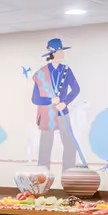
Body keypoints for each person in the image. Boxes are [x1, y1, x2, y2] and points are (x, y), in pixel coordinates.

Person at [30, 37, 84, 172]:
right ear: (52, 54)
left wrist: (65, 103)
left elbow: (76, 89)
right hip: (48, 115)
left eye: (62, 52)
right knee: (45, 145)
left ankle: (68, 172)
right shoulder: (41, 74)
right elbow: (35, 99)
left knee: (70, 144)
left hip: (62, 113)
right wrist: (50, 101)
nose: (62, 55)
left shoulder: (66, 70)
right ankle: (43, 174)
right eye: (60, 52)